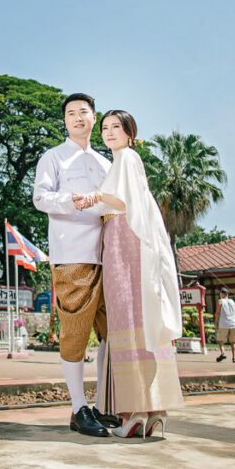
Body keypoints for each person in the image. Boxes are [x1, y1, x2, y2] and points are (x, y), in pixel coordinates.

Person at [72, 110, 184, 439]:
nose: (108, 133)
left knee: (126, 320)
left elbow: (121, 201)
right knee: (138, 318)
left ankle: (133, 413)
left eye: (115, 128)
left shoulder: (126, 158)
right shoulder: (126, 160)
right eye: (104, 128)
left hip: (123, 239)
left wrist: (93, 196)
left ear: (129, 132)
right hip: (127, 238)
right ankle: (152, 412)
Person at [33, 93, 114, 437]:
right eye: (71, 113)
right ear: (64, 121)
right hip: (73, 254)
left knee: (113, 332)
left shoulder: (107, 162)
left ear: (94, 118)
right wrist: (72, 200)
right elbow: (40, 196)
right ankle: (78, 406)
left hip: (108, 255)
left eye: (84, 112)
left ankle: (106, 404)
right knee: (76, 332)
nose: (78, 117)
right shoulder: (54, 157)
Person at [215, 288, 235, 363]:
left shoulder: (220, 301)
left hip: (223, 324)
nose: (219, 294)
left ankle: (222, 353)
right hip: (233, 324)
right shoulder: (233, 302)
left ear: (222, 294)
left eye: (220, 293)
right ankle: (234, 357)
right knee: (233, 342)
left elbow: (217, 313)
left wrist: (216, 322)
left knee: (220, 340)